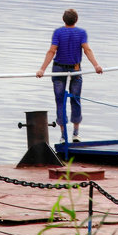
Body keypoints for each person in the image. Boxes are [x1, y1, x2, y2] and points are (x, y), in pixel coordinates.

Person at [36, 8, 102, 142]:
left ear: (63, 19)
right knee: (75, 99)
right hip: (76, 69)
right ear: (76, 20)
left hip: (59, 68)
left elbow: (51, 51)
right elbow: (87, 49)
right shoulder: (81, 33)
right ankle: (76, 133)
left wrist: (42, 69)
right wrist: (96, 65)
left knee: (60, 101)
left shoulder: (58, 33)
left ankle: (63, 136)